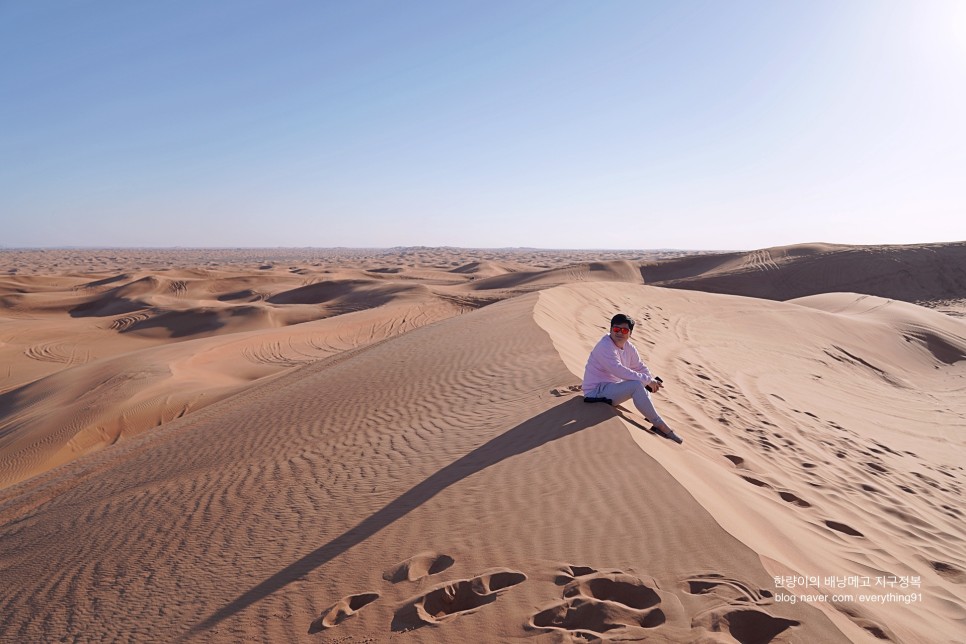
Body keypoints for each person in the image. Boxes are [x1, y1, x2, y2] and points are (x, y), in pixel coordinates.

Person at [582, 313, 684, 444]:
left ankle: (650, 416)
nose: (619, 333)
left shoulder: (629, 347)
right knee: (637, 384)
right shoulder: (605, 346)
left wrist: (651, 381)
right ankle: (661, 426)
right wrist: (647, 380)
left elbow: (639, 367)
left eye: (624, 330)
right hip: (595, 393)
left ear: (630, 333)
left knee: (642, 381)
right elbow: (618, 370)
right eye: (616, 329)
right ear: (610, 329)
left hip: (610, 389)